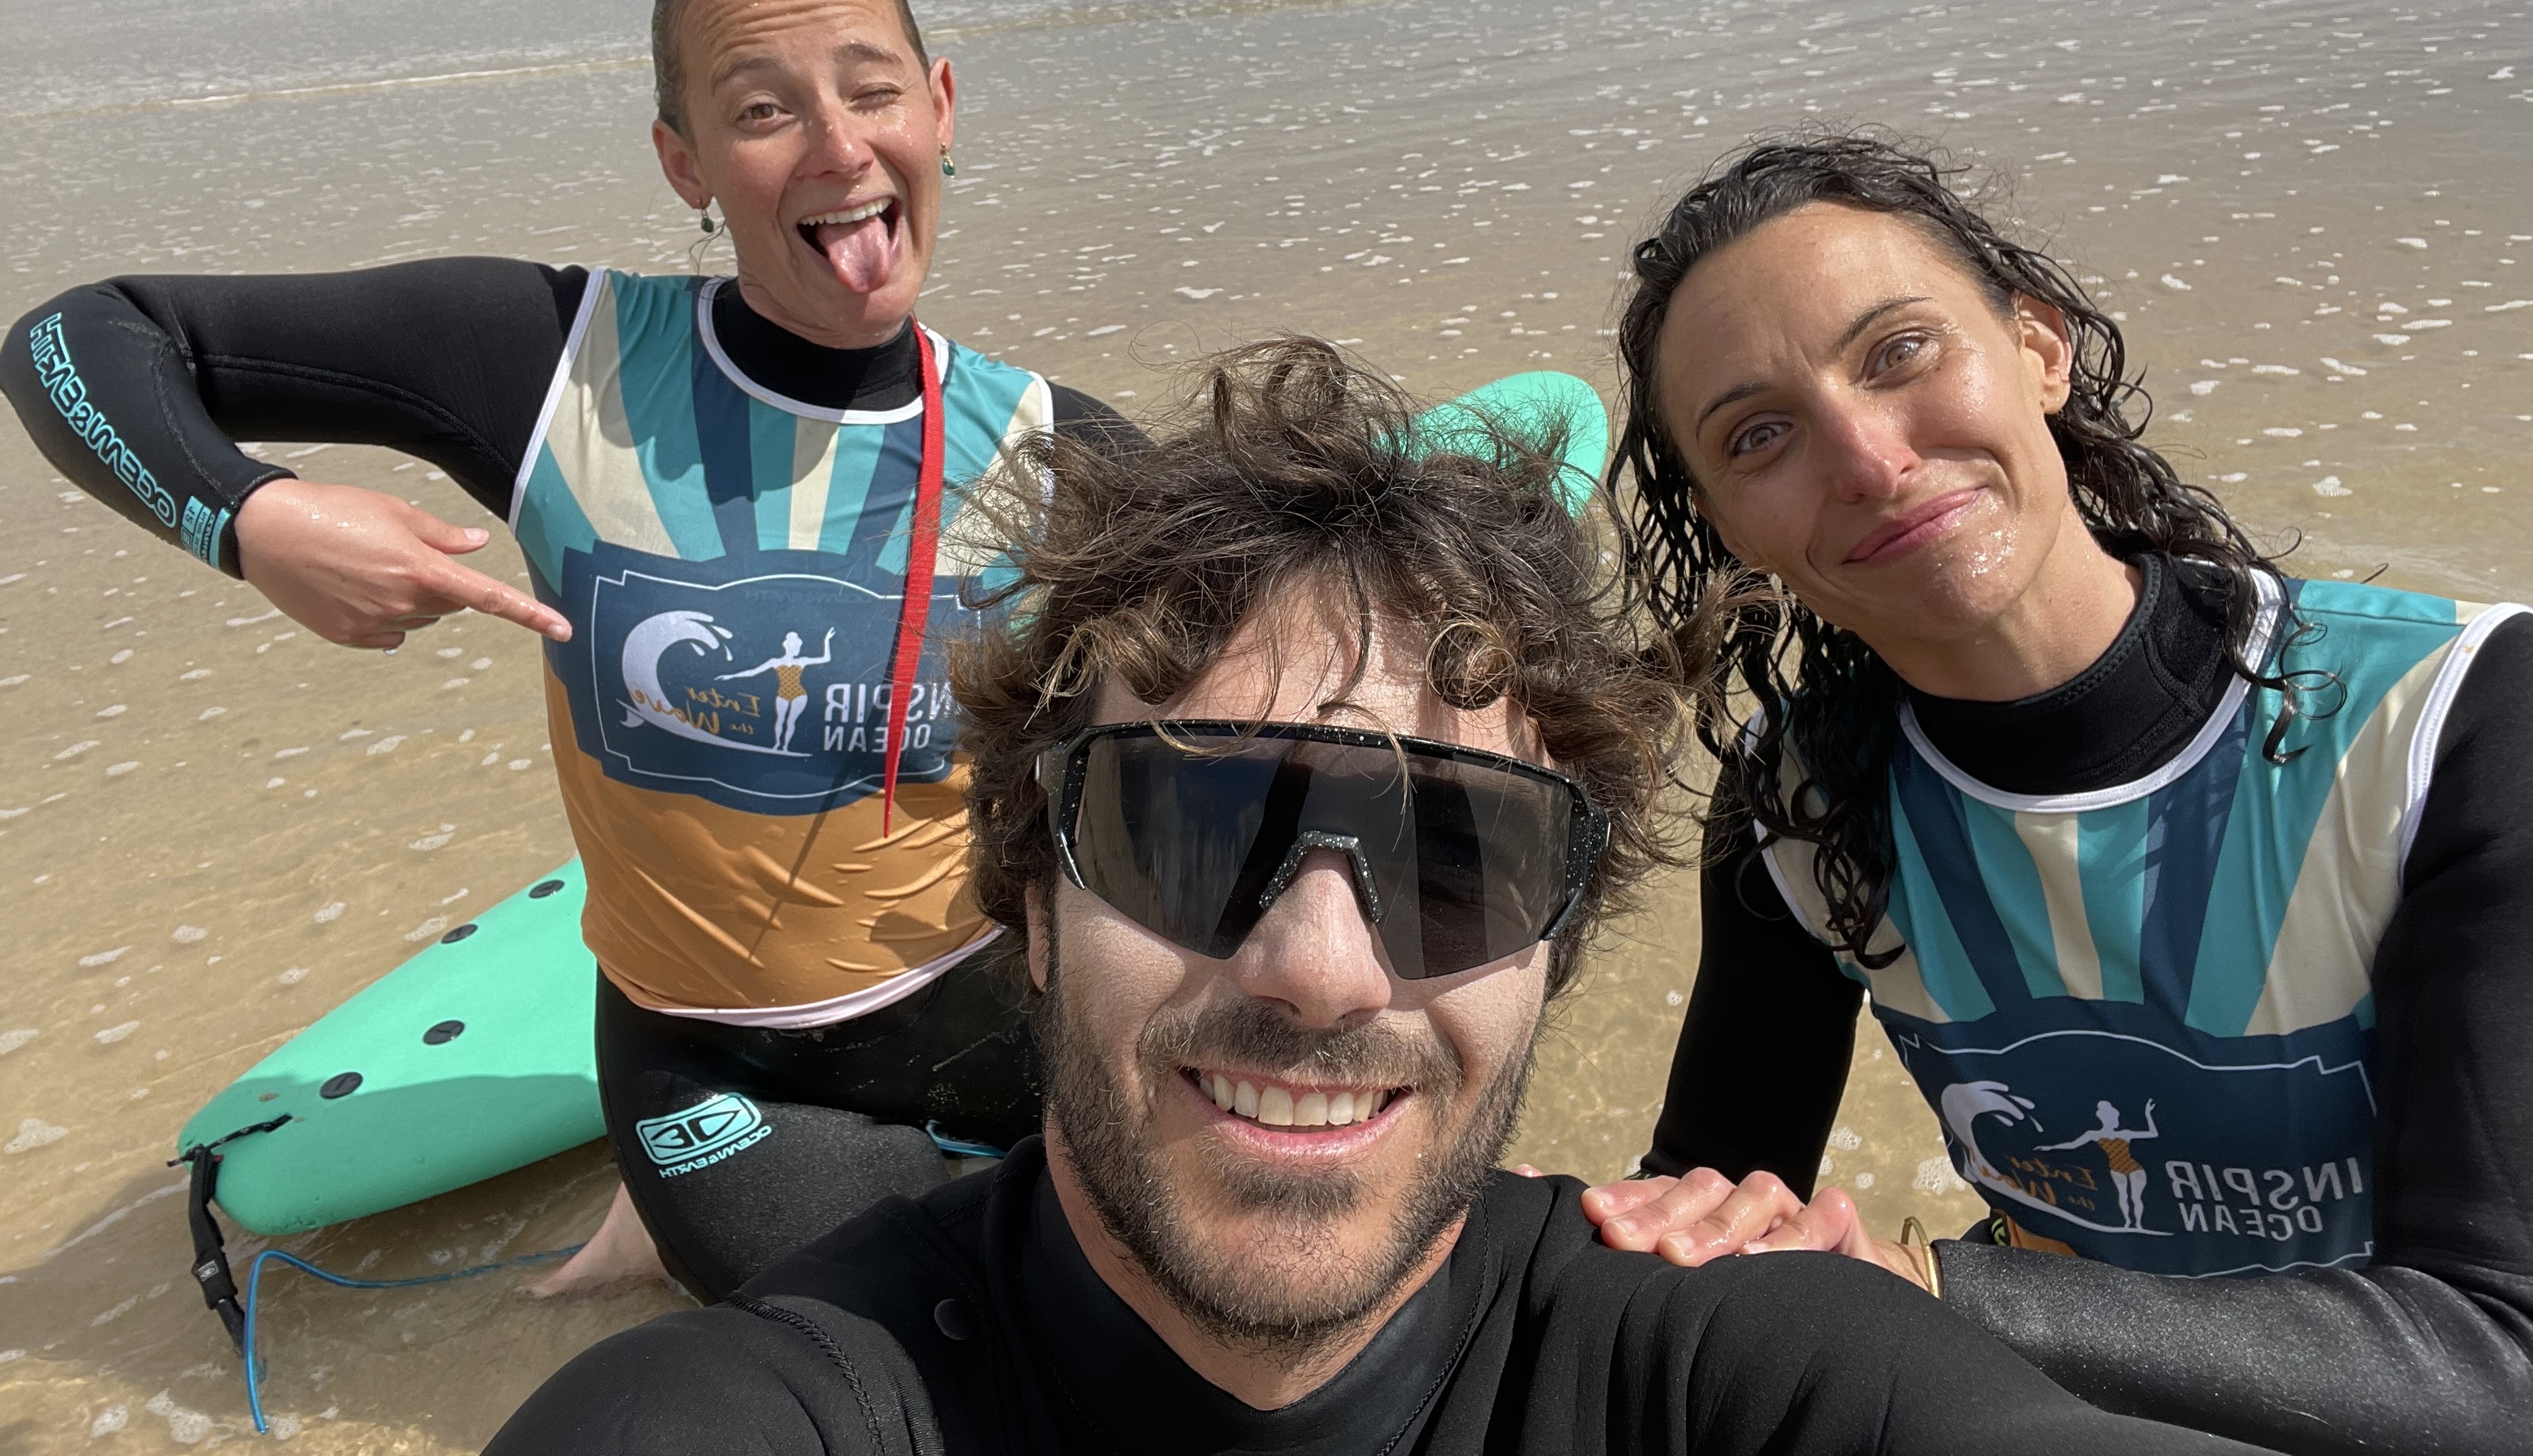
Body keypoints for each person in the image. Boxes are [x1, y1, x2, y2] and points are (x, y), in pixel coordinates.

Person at [488, 337, 2255, 1456]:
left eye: (1457, 861)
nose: (1321, 969)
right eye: (1190, 833)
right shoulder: (795, 1404)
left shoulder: (1729, 1364)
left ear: (1556, 948)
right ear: (1027, 902)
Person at [0, 0, 1141, 1303]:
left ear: (940, 107)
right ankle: (667, 1199)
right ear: (686, 163)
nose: (839, 147)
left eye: (872, 89)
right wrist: (250, 516)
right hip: (720, 1066)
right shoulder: (558, 366)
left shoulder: (1058, 448)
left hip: (1001, 1008)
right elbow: (74, 343)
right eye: (763, 110)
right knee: (900, 1353)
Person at [1583, 138, 2533, 1453]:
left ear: (2039, 347)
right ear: (1729, 526)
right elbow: (1711, 1199)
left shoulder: (2450, 719)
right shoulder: (1798, 800)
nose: (1867, 459)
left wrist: (1923, 1286)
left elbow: (2497, 1360)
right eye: (1761, 436)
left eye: (1900, 352)